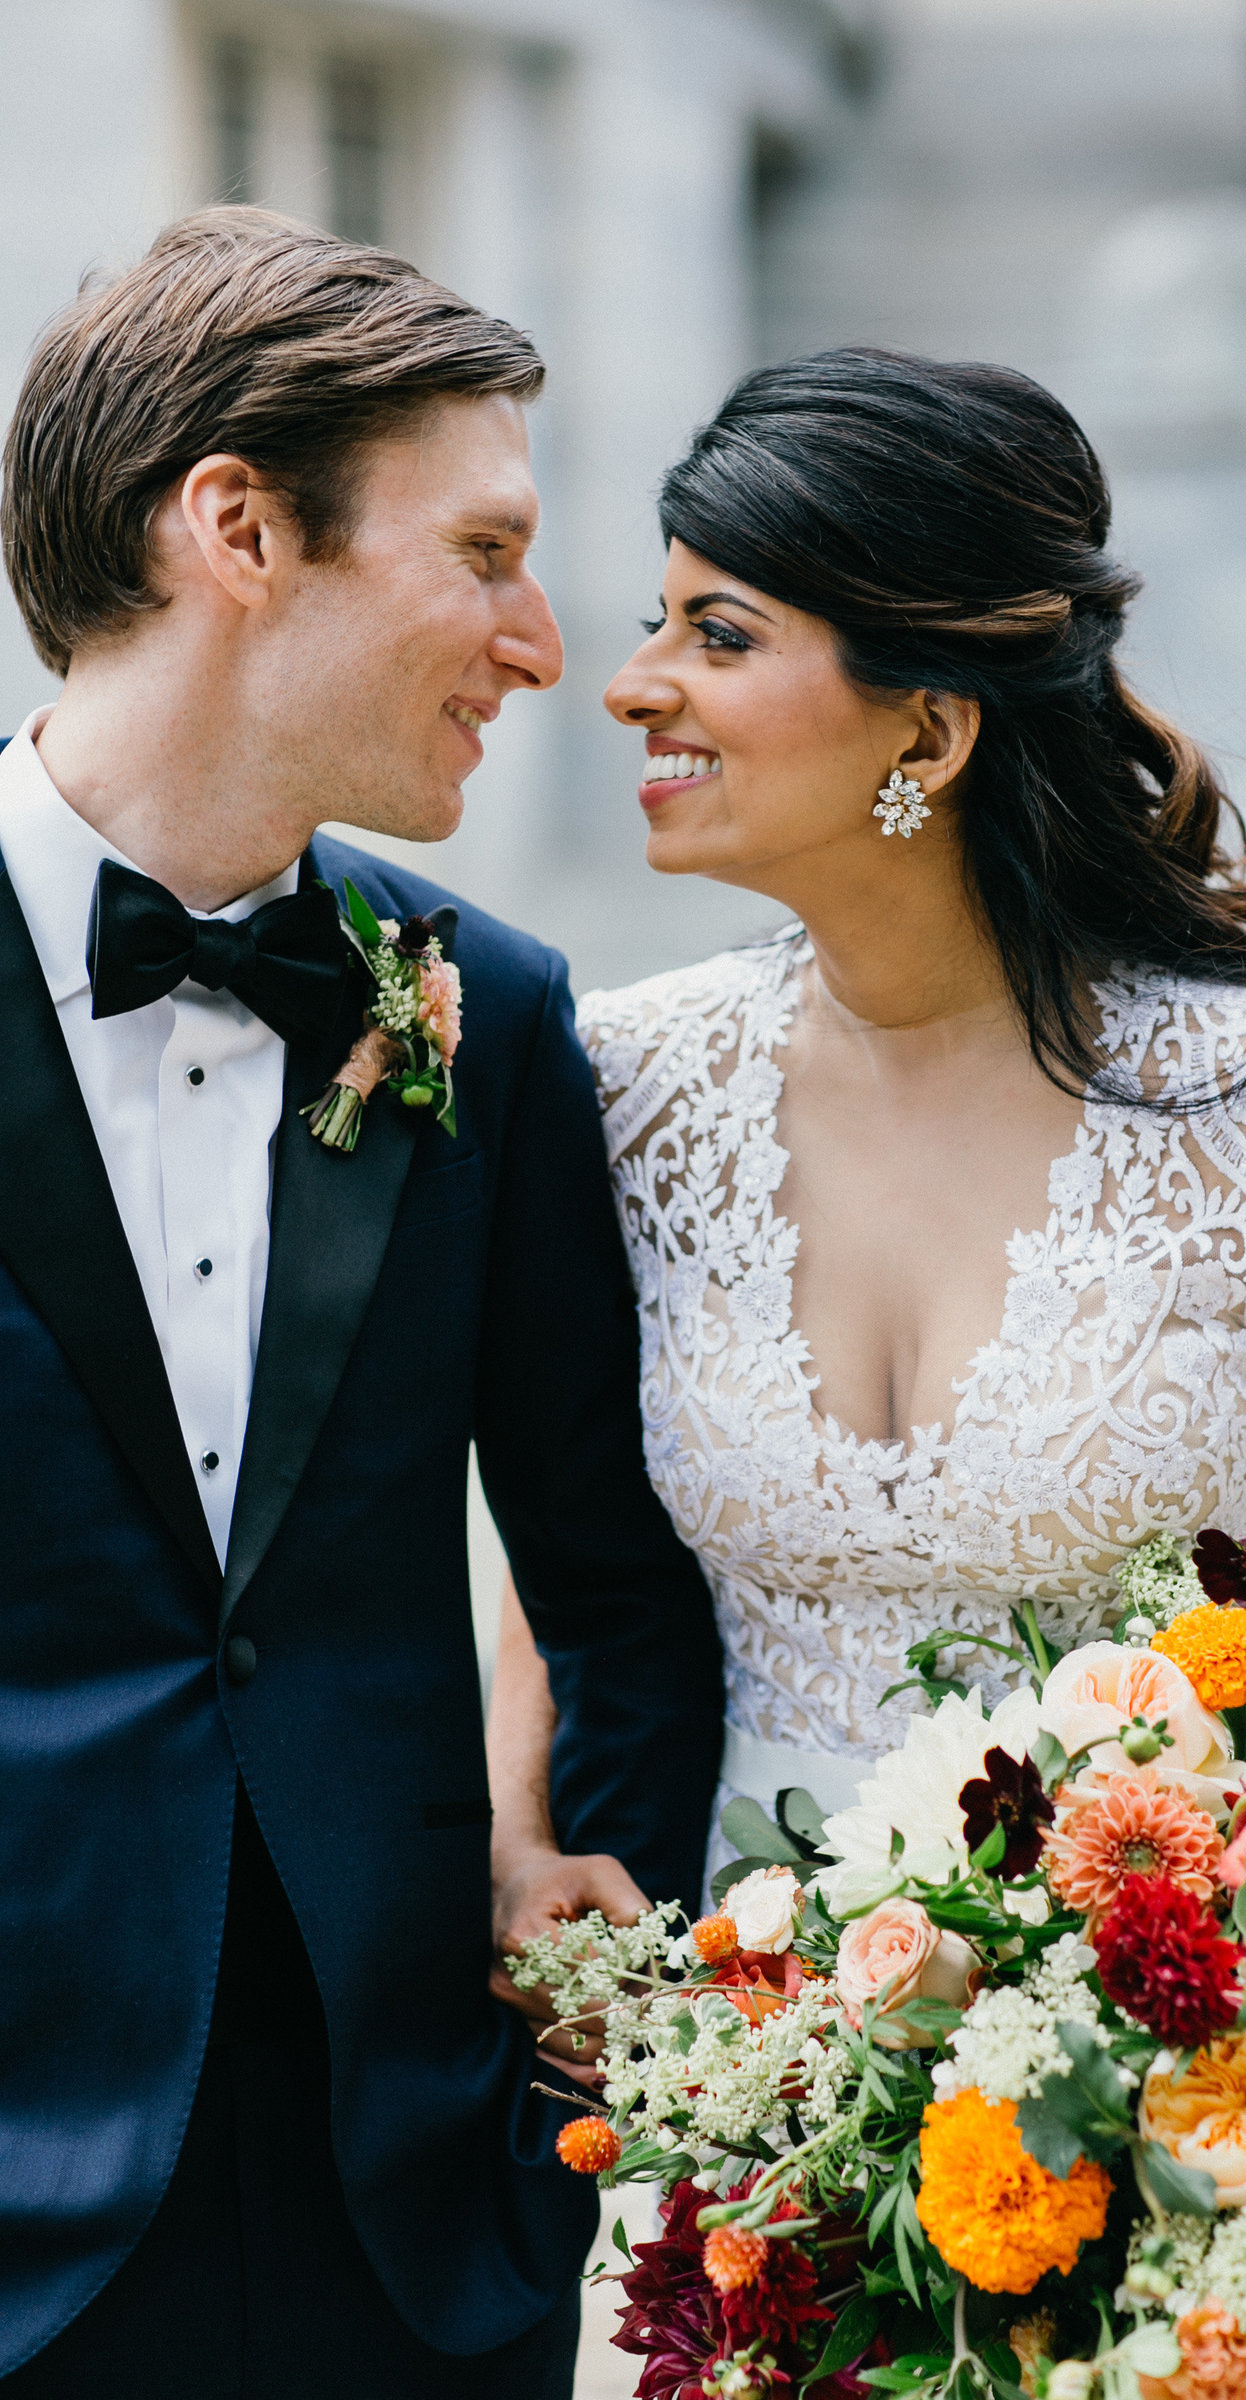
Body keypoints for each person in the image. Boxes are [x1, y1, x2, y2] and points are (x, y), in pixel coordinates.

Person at [495, 345, 1246, 1863]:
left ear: (927, 733)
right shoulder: (623, 1085)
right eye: (654, 624)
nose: (629, 687)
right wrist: (514, 1836)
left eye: (718, 636)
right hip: (704, 2019)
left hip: (1152, 2032)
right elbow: (569, 1558)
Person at [0, 206, 722, 2395]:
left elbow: (614, 1583)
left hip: (414, 2234)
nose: (542, 641)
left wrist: (562, 2017)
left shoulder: (487, 1015)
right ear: (237, 527)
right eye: (486, 550)